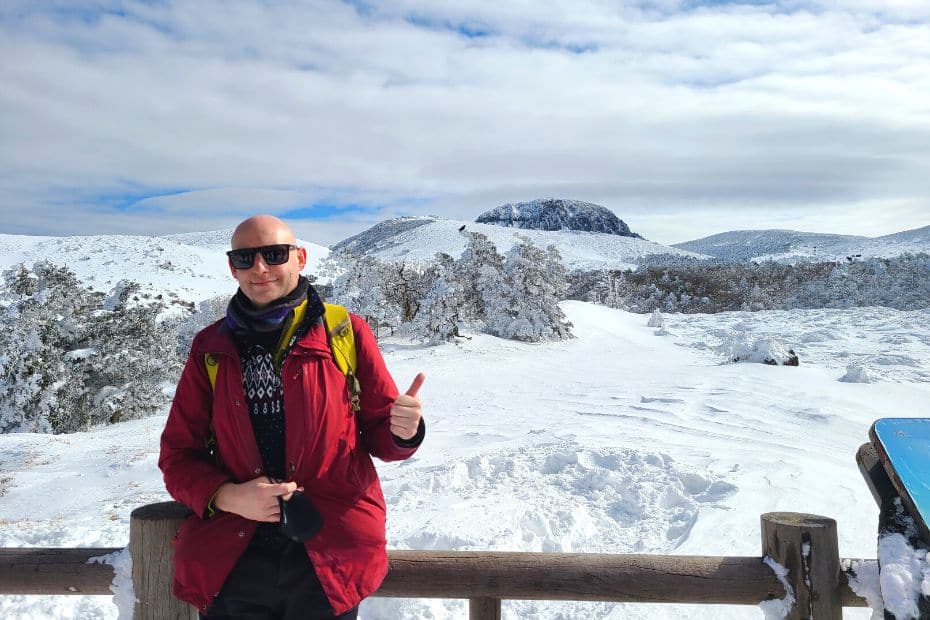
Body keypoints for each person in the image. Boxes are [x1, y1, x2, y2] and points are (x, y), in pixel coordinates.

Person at [159, 214, 425, 619]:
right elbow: (178, 455)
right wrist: (229, 496)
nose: (260, 268)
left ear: (300, 258)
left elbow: (379, 433)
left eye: (274, 254)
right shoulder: (210, 347)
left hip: (328, 553)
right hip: (235, 559)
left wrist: (404, 432)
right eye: (245, 258)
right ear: (233, 267)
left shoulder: (344, 331)